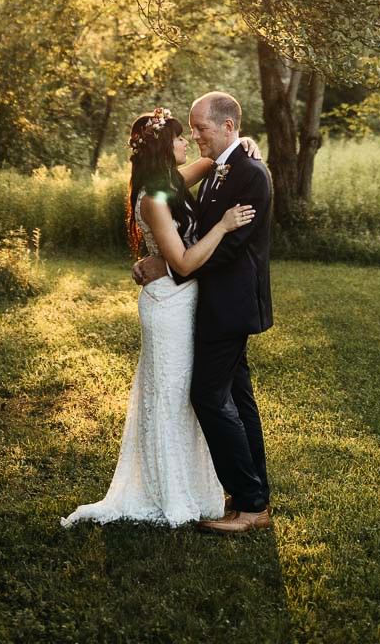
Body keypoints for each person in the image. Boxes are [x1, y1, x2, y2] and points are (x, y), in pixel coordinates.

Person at [61, 108, 255, 528]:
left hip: (185, 302)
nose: (188, 142)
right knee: (169, 395)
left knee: (187, 395)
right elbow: (184, 263)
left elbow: (214, 160)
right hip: (168, 305)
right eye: (180, 138)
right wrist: (220, 227)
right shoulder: (153, 196)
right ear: (164, 148)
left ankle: (198, 487)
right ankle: (168, 490)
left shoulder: (170, 183)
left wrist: (246, 144)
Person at [133, 90, 274, 535]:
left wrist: (170, 265)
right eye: (187, 132)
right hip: (203, 304)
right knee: (237, 398)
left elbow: (230, 246)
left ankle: (251, 503)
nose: (194, 138)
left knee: (210, 397)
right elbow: (195, 231)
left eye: (200, 129)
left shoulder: (249, 173)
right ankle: (253, 495)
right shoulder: (205, 171)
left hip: (228, 305)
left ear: (228, 127)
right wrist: (169, 259)